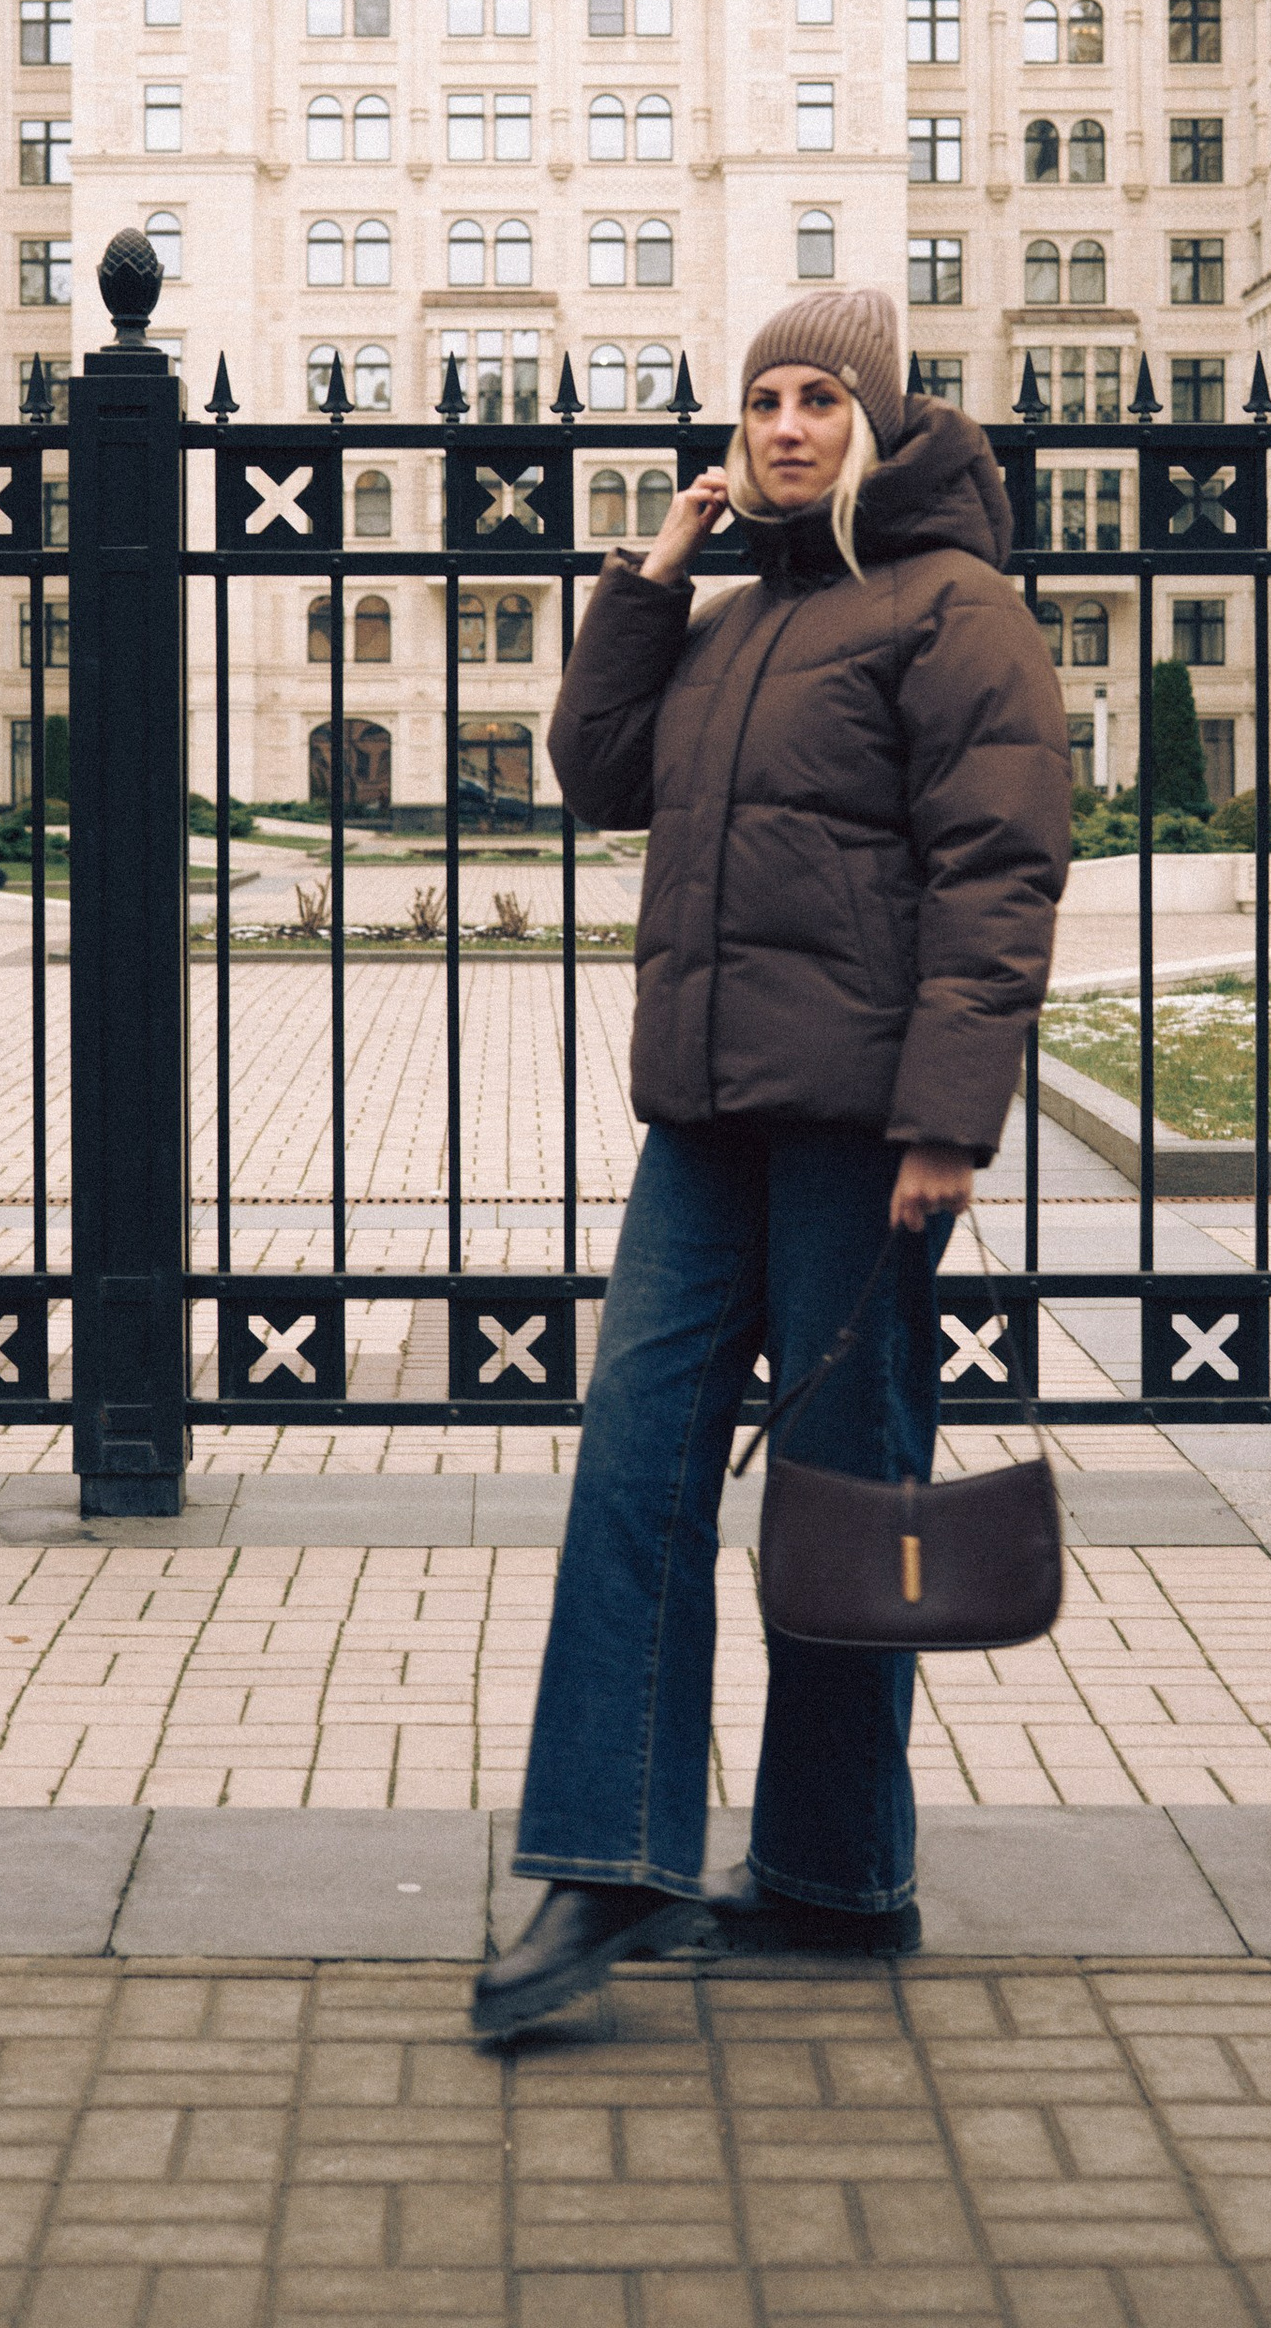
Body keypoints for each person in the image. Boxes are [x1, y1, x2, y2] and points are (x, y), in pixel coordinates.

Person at [471, 287, 1071, 2042]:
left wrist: (948, 1123)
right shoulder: (729, 624)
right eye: (763, 404)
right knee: (633, 1470)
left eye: (819, 399)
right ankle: (609, 1861)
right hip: (705, 1124)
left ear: (879, 423)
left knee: (839, 1498)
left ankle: (834, 1875)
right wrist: (654, 570)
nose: (786, 426)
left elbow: (998, 871)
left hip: (861, 1139)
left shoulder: (955, 610)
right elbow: (592, 771)